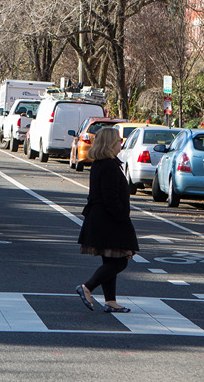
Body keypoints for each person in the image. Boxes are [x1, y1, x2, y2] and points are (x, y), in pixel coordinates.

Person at [75, 126, 138, 313]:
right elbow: (110, 198)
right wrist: (123, 219)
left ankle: (110, 301)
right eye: (118, 140)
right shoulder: (109, 166)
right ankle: (87, 287)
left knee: (110, 260)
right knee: (120, 261)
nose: (121, 143)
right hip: (108, 220)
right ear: (111, 143)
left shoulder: (101, 164)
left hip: (100, 219)